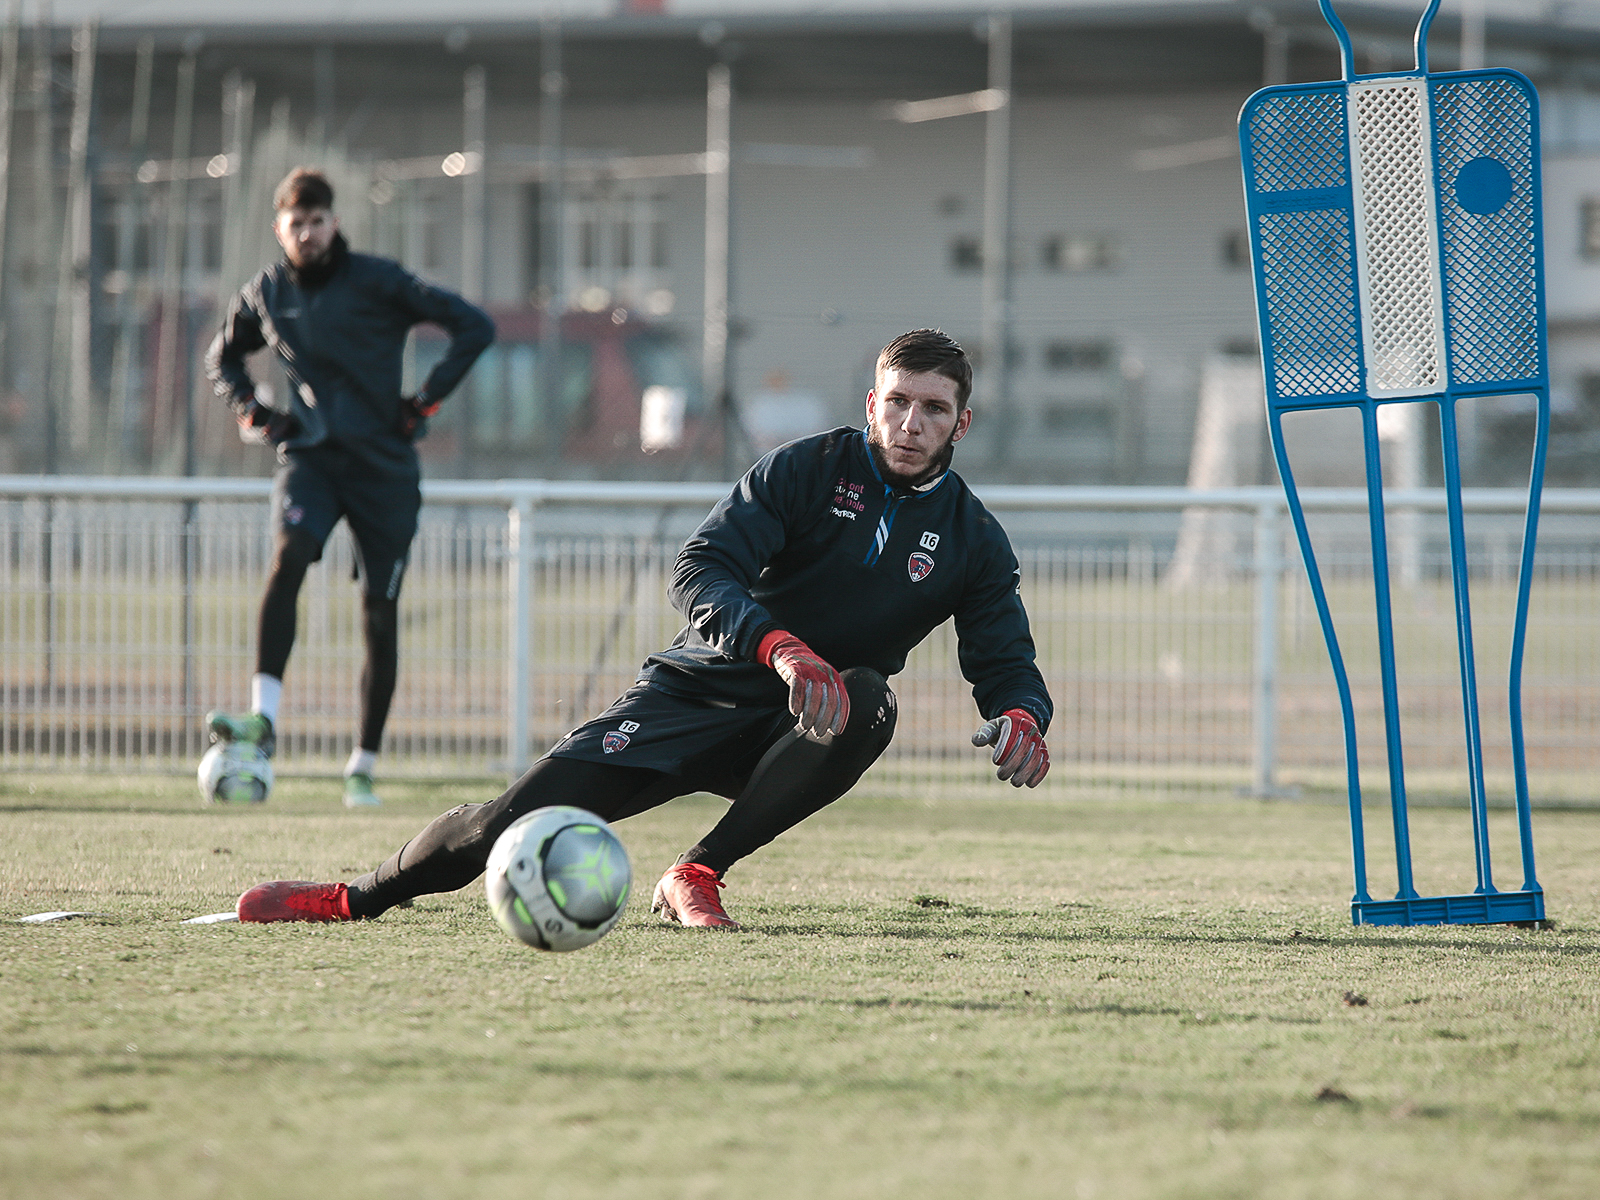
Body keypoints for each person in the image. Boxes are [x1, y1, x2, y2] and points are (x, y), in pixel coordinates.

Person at [236, 328, 1052, 927]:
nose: (912, 422)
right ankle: (355, 898)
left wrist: (1022, 715)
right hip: (694, 697)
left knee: (869, 700)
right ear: (873, 405)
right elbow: (700, 568)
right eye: (899, 403)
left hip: (798, 729)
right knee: (504, 826)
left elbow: (1004, 654)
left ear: (961, 425)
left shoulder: (974, 539)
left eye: (933, 409)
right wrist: (779, 646)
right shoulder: (805, 469)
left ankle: (698, 870)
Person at [203, 168, 494, 808]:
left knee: (378, 616)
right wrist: (252, 410)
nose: (306, 233)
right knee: (288, 562)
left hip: (384, 471)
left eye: (316, 221)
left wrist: (424, 403)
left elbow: (475, 326)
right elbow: (222, 358)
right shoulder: (267, 292)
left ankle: (362, 765)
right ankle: (264, 720)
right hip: (312, 459)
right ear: (280, 229)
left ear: (334, 222)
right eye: (294, 224)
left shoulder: (380, 281)